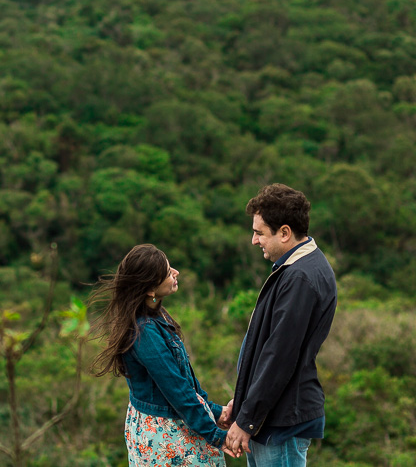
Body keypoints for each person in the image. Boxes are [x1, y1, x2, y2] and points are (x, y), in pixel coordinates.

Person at [88, 244, 235, 467]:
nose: (175, 272)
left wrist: (216, 411)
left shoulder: (154, 317)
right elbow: (176, 389)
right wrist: (216, 435)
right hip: (167, 436)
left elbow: (187, 384)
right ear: (150, 290)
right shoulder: (145, 331)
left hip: (171, 427)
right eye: (167, 272)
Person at [225, 184, 337, 466]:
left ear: (285, 233)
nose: (254, 240)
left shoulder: (300, 277)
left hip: (281, 422)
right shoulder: (298, 268)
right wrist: (241, 407)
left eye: (259, 233)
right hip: (271, 419)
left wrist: (247, 420)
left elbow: (279, 357)